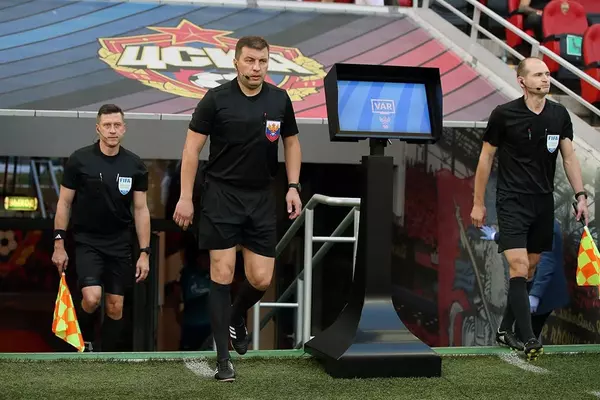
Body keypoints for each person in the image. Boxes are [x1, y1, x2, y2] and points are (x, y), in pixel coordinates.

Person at [172, 35, 303, 381]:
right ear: (236, 62)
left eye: (262, 62)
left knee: (261, 277)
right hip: (221, 195)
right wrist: (185, 197)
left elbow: (291, 143)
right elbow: (190, 150)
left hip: (261, 196)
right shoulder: (216, 99)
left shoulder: (279, 99)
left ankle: (234, 315)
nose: (256, 68)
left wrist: (293, 186)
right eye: (249, 61)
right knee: (223, 273)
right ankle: (223, 361)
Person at [470, 57, 588, 361]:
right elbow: (485, 158)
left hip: (542, 202)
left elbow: (569, 158)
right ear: (522, 81)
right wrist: (478, 202)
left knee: (531, 268)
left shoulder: (559, 114)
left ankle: (504, 329)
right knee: (519, 266)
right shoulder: (504, 114)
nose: (545, 79)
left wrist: (580, 195)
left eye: (547, 74)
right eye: (538, 74)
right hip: (511, 201)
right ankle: (529, 339)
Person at [51, 104, 151, 352]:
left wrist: (145, 252)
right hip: (87, 240)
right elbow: (64, 203)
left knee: (115, 306)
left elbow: (141, 210)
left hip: (119, 242)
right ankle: (78, 344)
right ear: (98, 129)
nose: (112, 130)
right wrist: (59, 244)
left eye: (117, 125)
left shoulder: (135, 165)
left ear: (124, 128)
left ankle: (104, 357)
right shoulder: (79, 160)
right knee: (92, 297)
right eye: (107, 125)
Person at [479, 219, 569, 346]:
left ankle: (525, 345)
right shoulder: (533, 220)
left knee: (524, 333)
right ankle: (510, 335)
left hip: (544, 290)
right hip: (530, 284)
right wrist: (496, 236)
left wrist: (535, 295)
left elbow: (547, 263)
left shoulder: (547, 225)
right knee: (520, 328)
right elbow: (521, 238)